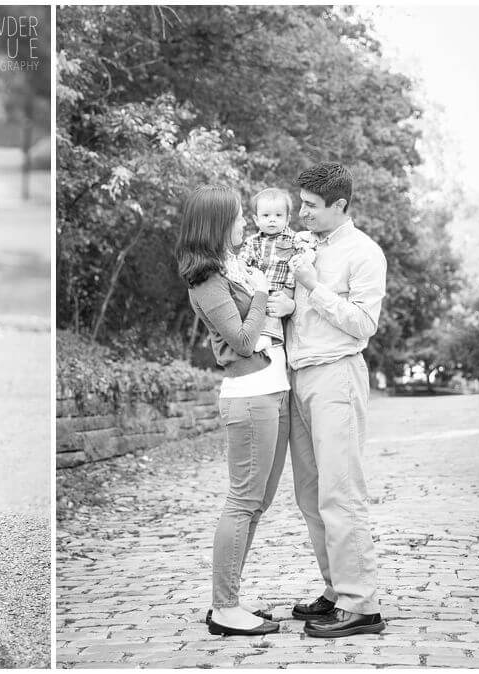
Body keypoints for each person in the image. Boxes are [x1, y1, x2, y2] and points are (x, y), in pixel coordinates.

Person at [277, 161, 388, 638]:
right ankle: (335, 590)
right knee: (310, 497)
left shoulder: (364, 253)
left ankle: (362, 605)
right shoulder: (305, 246)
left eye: (312, 206)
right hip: (299, 377)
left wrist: (312, 286)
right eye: (301, 203)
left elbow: (364, 324)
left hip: (336, 377)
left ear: (341, 205)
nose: (301, 212)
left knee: (340, 494)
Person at [175, 184, 288, 637]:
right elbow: (242, 341)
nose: (246, 223)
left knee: (255, 505)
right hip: (250, 398)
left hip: (273, 391)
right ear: (219, 223)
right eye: (240, 216)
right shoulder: (207, 280)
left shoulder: (231, 266)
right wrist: (261, 295)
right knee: (243, 501)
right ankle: (224, 608)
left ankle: (232, 600)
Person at [238, 187, 315, 343]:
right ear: (256, 220)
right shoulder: (252, 241)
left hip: (280, 289)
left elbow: (303, 255)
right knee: (249, 310)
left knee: (273, 312)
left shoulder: (293, 240)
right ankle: (249, 337)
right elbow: (242, 260)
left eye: (278, 215)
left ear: (287, 219)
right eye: (266, 215)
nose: (272, 219)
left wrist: (306, 256)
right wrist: (243, 271)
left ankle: (268, 339)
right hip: (256, 288)